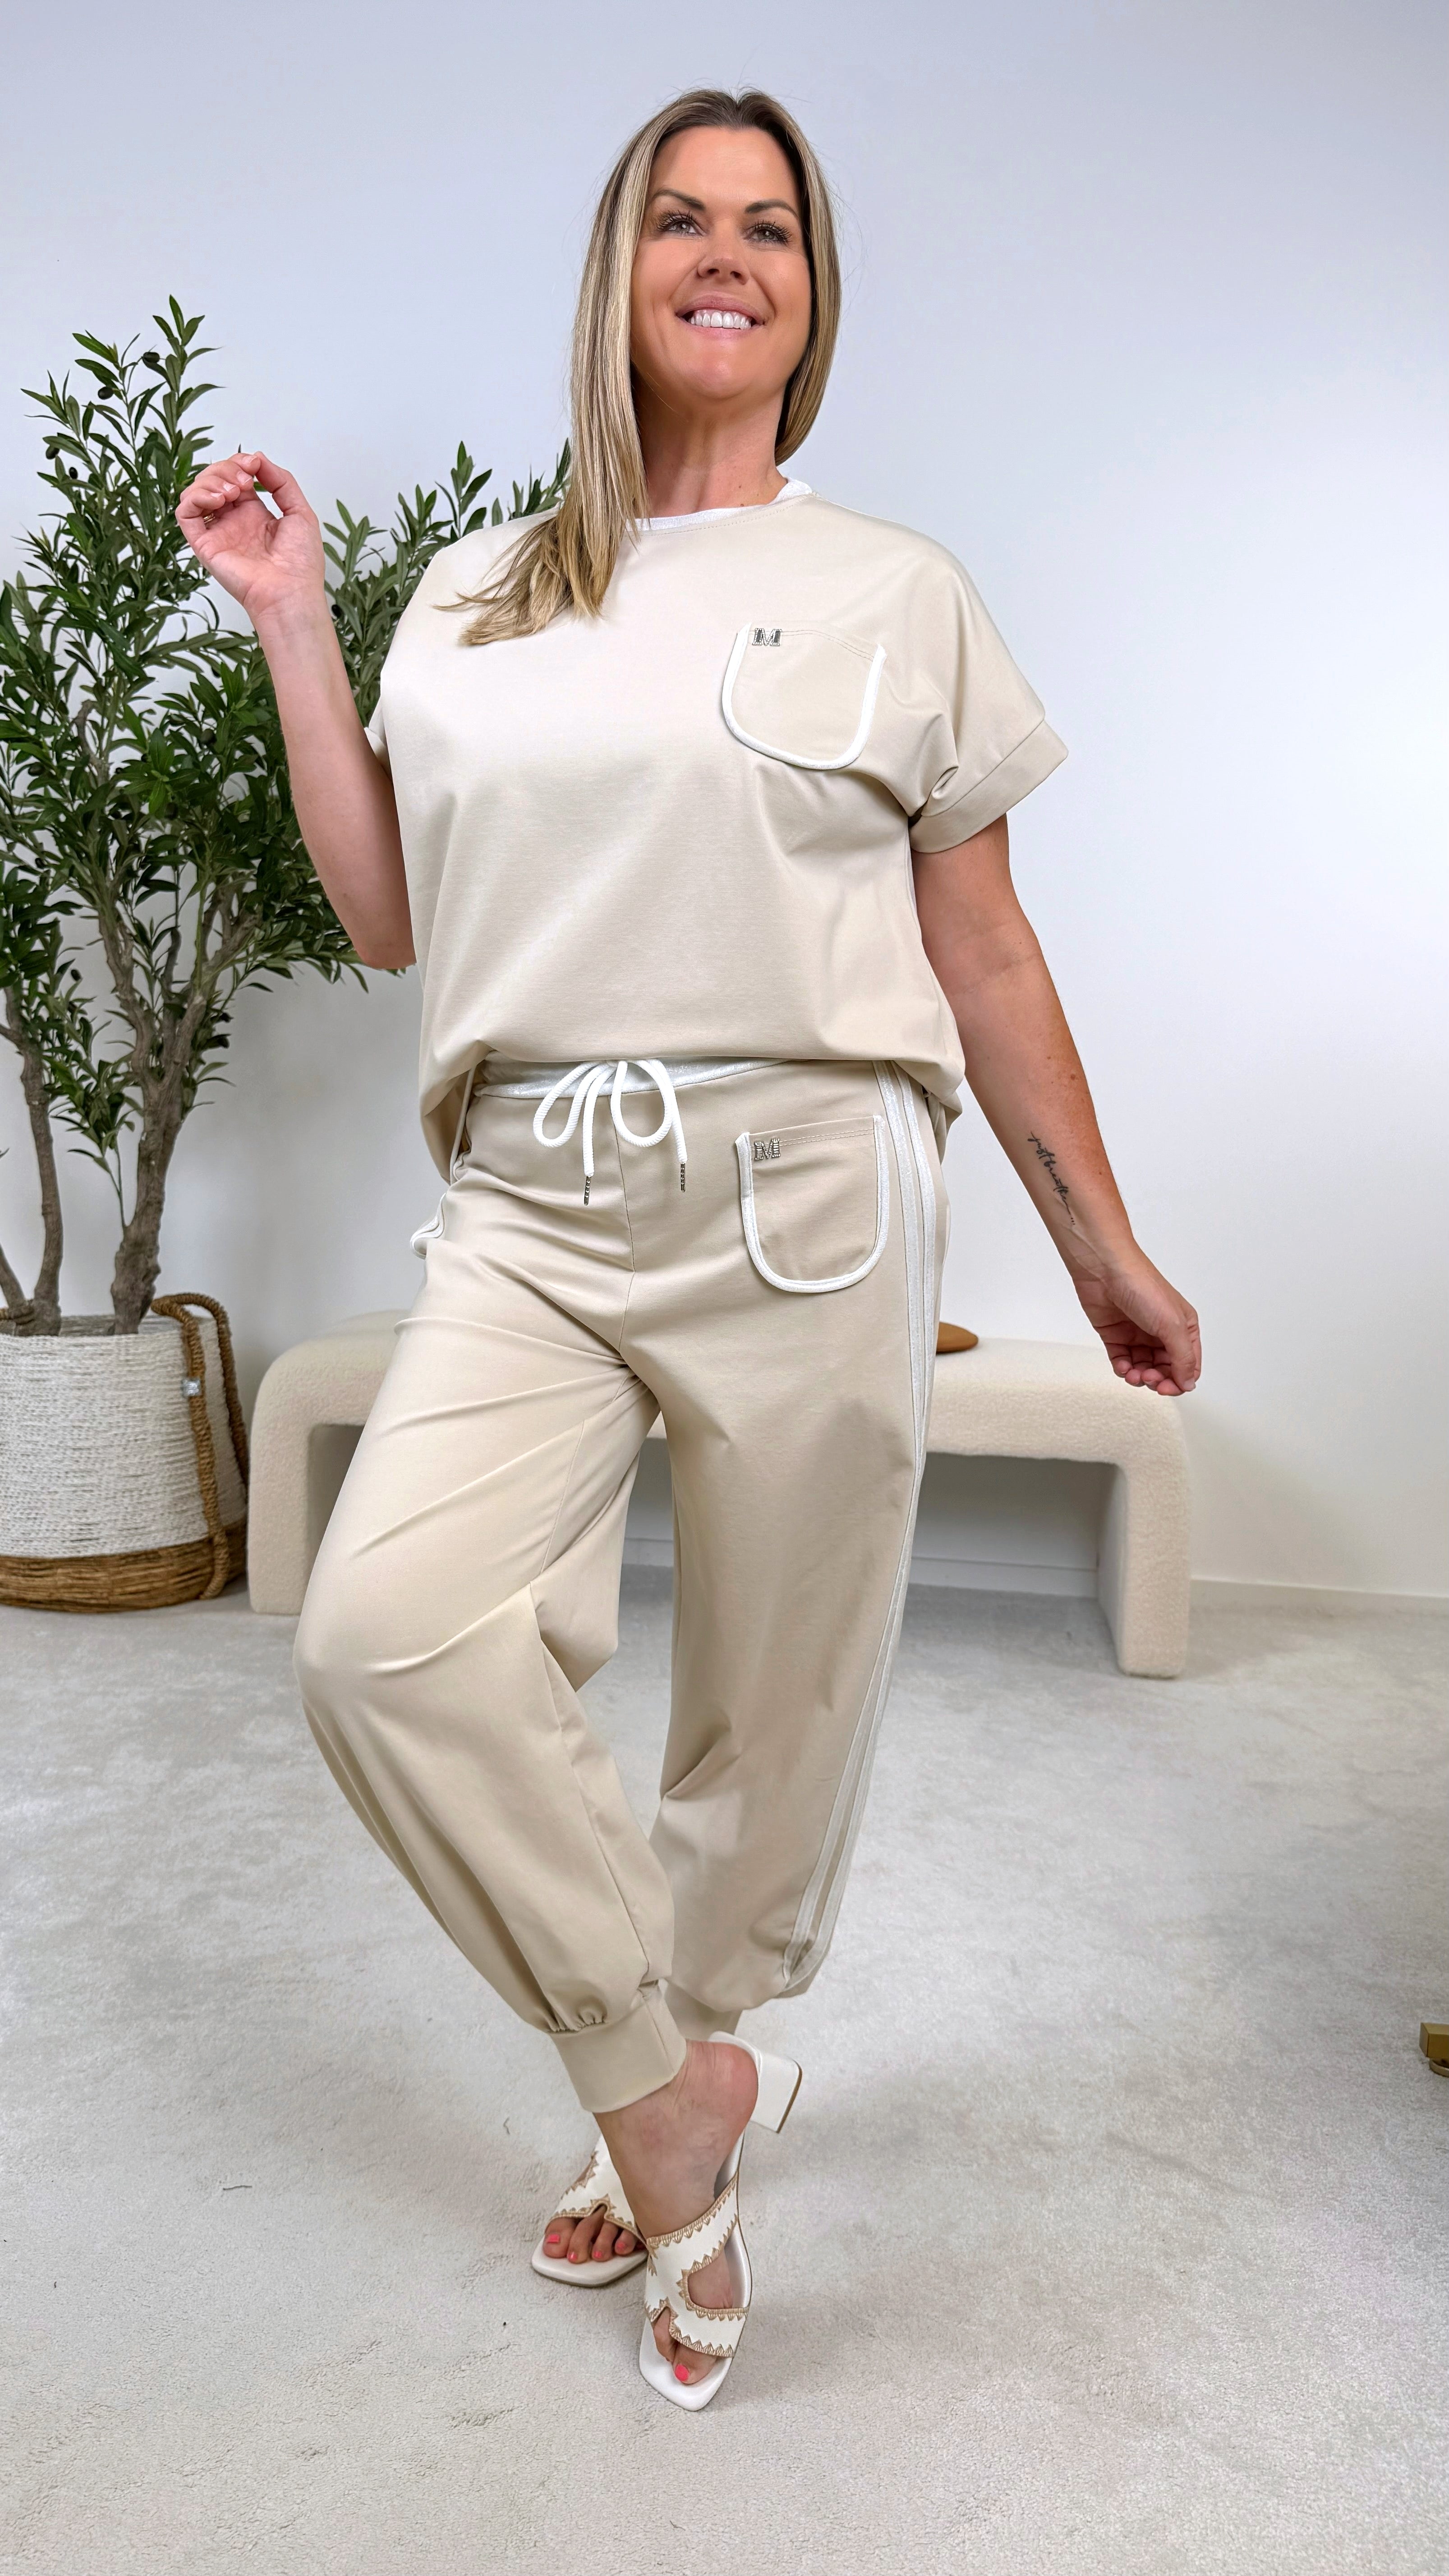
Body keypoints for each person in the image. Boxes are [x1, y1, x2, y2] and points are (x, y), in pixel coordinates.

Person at [177, 85, 1200, 2409]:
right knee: (389, 1639)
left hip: (808, 1188)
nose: (725, 255)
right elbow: (388, 915)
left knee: (771, 1702)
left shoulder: (895, 590)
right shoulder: (480, 592)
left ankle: (696, 2050)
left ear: (813, 298)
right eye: (679, 218)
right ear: (616, 271)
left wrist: (1102, 1247)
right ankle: (666, 2096)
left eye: (770, 228)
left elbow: (985, 953)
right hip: (531, 1195)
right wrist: (298, 626)